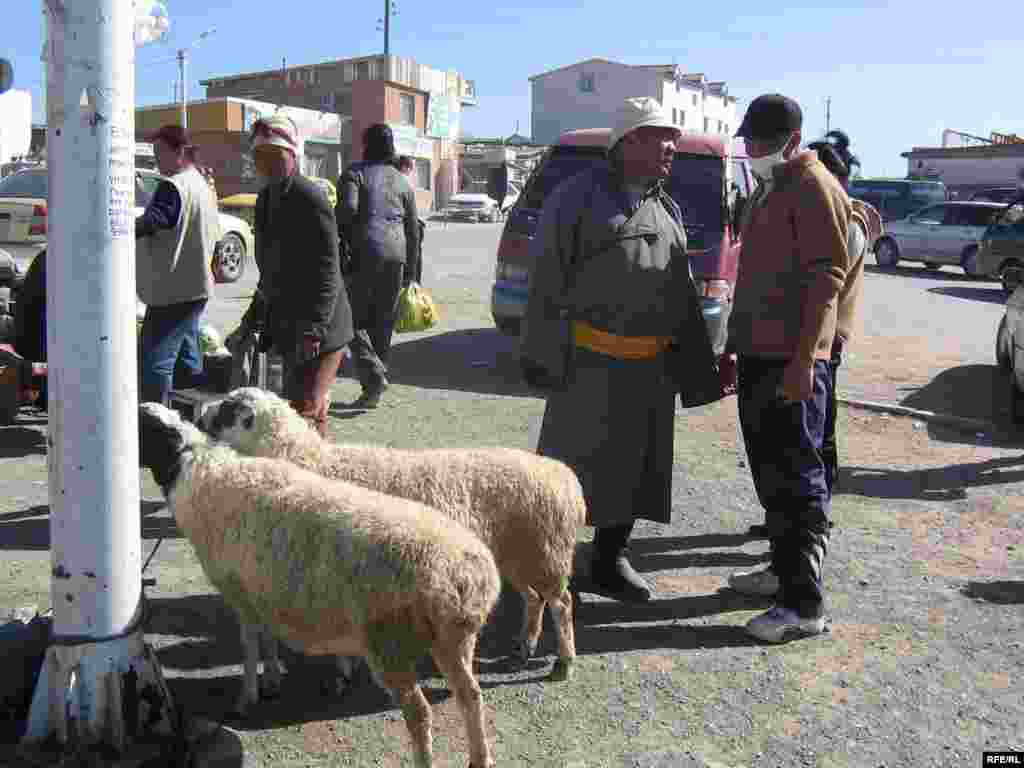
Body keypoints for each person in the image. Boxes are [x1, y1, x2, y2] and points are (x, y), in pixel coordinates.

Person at [520, 96, 722, 604]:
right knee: (570, 473)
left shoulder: (664, 208)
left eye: (672, 138)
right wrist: (541, 354)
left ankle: (609, 560)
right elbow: (544, 279)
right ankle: (548, 570)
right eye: (660, 137)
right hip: (589, 365)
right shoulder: (575, 198)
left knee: (638, 471)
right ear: (628, 142)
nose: (672, 146)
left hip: (649, 371)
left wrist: (698, 367)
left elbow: (681, 293)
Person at [724, 94, 853, 643]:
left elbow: (828, 277)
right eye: (749, 141)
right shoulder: (773, 187)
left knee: (796, 478)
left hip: (793, 361)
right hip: (761, 354)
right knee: (769, 474)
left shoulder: (813, 186)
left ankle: (803, 604)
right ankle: (782, 571)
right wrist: (736, 345)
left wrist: (807, 362)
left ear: (792, 141)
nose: (751, 150)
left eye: (761, 142)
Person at [227, 114, 354, 436]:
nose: (266, 162)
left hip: (322, 327)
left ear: (293, 155)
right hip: (289, 325)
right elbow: (270, 273)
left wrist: (314, 330)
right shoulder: (266, 198)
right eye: (260, 156)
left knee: (306, 409)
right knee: (300, 409)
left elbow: (329, 269)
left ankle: (317, 480)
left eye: (275, 155)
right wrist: (250, 320)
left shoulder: (309, 197)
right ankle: (316, 476)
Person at [806, 135, 882, 495]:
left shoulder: (846, 220)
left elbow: (827, 283)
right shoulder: (833, 214)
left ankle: (817, 507)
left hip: (825, 337)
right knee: (814, 423)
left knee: (819, 426)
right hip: (821, 335)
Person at [335, 125, 420, 409]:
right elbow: (413, 230)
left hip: (364, 252)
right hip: (398, 255)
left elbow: (346, 210)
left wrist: (343, 241)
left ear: (365, 145)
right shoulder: (402, 181)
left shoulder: (354, 174)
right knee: (383, 323)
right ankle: (374, 389)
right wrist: (413, 273)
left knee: (350, 320)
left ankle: (373, 377)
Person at [135, 125, 220, 406]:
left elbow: (154, 221)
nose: (157, 159)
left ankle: (154, 419)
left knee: (154, 362)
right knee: (187, 359)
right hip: (196, 287)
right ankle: (192, 412)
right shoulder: (201, 185)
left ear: (180, 152)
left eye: (161, 152)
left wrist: (116, 227)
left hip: (171, 292)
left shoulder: (173, 187)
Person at [394, 155, 425, 286]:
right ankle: (413, 283)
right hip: (405, 226)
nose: (410, 172)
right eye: (410, 168)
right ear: (404, 167)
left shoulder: (396, 179)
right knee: (414, 255)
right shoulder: (402, 181)